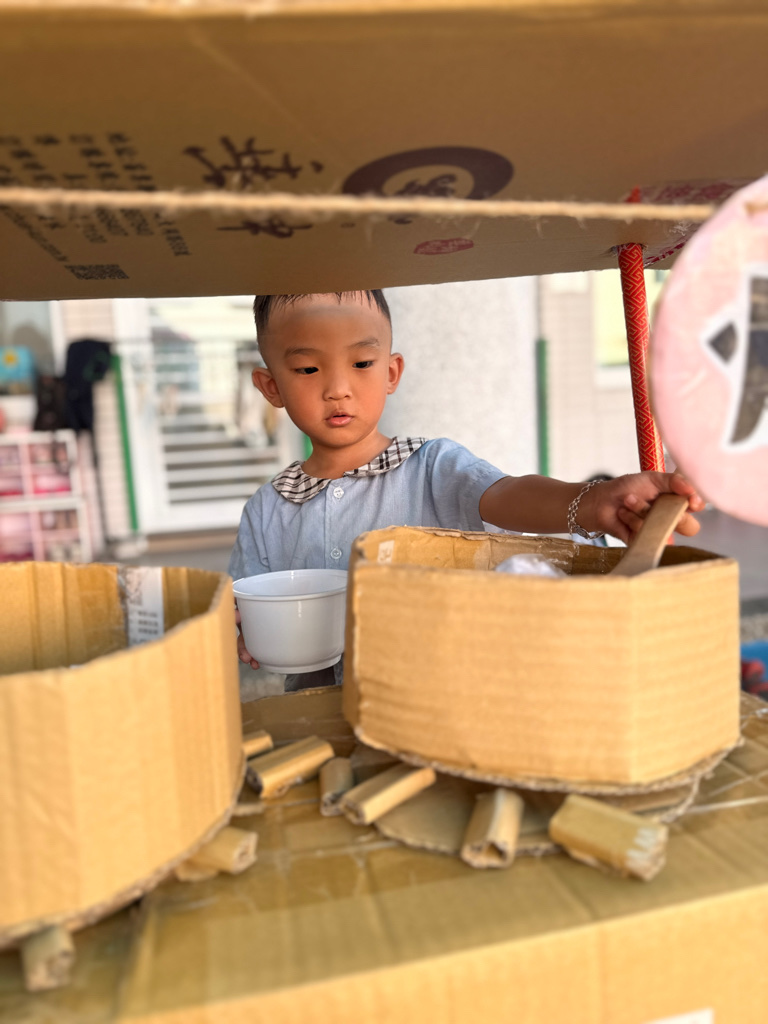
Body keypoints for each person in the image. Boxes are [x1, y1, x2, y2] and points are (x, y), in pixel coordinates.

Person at [229, 290, 704, 689]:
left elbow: (508, 495)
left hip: (441, 706)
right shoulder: (268, 510)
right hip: (317, 725)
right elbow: (241, 608)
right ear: (271, 387)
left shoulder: (432, 467)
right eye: (308, 369)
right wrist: (243, 631)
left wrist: (592, 501)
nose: (338, 388)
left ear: (391, 372)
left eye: (361, 362)